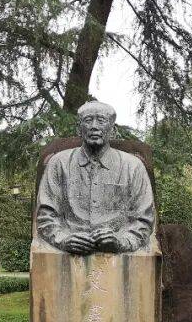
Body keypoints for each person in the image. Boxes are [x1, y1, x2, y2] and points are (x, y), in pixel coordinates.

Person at [35, 101, 155, 255]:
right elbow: (46, 215)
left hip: (116, 256)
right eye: (88, 120)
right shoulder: (59, 163)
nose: (94, 126)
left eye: (101, 120)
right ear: (79, 129)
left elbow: (144, 219)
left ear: (112, 129)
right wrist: (63, 239)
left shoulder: (133, 166)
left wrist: (122, 242)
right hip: (70, 251)